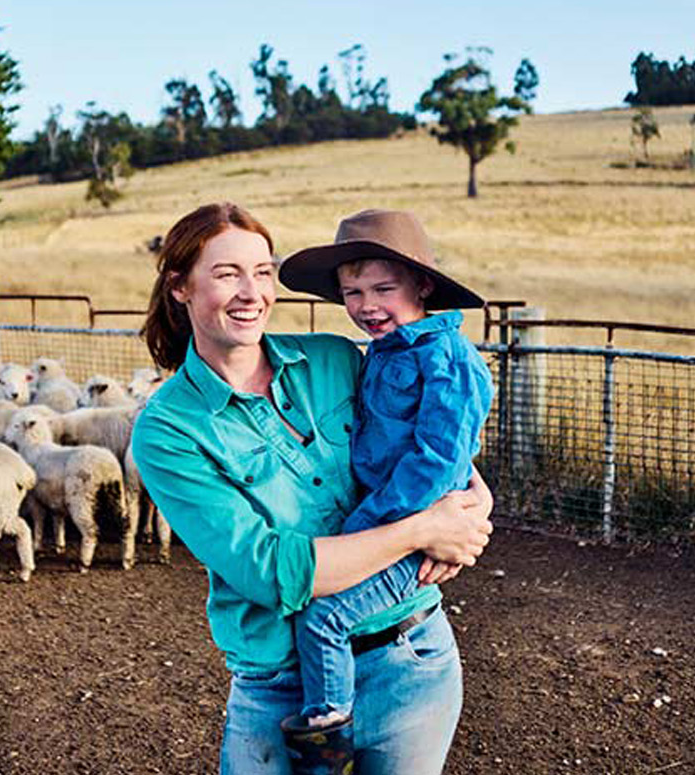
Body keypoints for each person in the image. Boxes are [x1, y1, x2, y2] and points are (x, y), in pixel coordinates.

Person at [130, 203, 494, 775]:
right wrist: (424, 530)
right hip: (281, 691)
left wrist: (474, 506)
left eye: (263, 272)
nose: (251, 292)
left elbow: (433, 443)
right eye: (228, 274)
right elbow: (275, 572)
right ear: (180, 287)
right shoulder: (169, 431)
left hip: (409, 661)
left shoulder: (335, 359)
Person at [275, 209, 494, 770]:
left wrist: (369, 527)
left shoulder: (448, 359)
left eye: (383, 288)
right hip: (394, 522)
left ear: (422, 285)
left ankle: (327, 741)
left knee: (324, 617)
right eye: (352, 292)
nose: (366, 305)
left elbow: (438, 459)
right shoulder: (385, 352)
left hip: (406, 529)